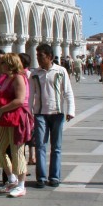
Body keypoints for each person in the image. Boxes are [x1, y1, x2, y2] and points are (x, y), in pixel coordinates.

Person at [30, 44, 75, 189]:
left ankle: (54, 177)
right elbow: (31, 95)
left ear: (49, 57)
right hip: (40, 113)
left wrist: (70, 110)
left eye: (40, 56)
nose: (38, 59)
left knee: (56, 147)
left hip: (57, 113)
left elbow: (67, 92)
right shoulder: (35, 73)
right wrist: (29, 112)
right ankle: (41, 178)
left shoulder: (60, 71)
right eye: (37, 56)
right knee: (40, 146)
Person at [0, 53, 30, 198]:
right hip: (6, 118)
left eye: (4, 62)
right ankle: (12, 178)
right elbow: (0, 96)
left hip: (17, 118)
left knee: (17, 150)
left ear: (11, 64)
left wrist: (0, 110)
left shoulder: (18, 77)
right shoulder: (7, 78)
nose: (1, 64)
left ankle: (21, 185)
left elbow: (19, 100)